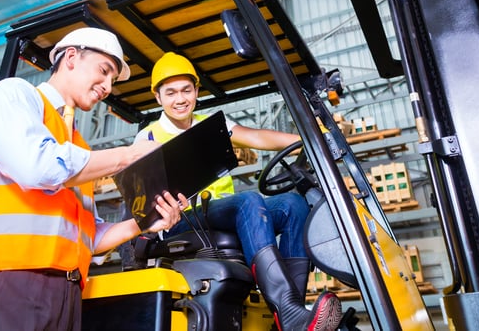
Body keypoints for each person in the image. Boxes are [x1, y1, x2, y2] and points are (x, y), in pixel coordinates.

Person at [0, 28, 188, 331]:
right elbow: (36, 168)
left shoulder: (78, 149)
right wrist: (129, 156)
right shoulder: (13, 95)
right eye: (104, 71)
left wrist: (146, 222)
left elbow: (88, 237)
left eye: (112, 80)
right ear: (71, 57)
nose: (107, 86)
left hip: (65, 294)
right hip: (1, 283)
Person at [134, 52, 343, 331]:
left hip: (221, 212)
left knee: (293, 204)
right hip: (179, 219)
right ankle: (286, 307)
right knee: (249, 200)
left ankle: (290, 314)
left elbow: (256, 136)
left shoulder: (210, 125)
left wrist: (309, 141)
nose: (180, 99)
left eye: (186, 90)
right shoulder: (147, 138)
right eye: (170, 93)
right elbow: (141, 197)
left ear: (196, 91)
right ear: (158, 97)